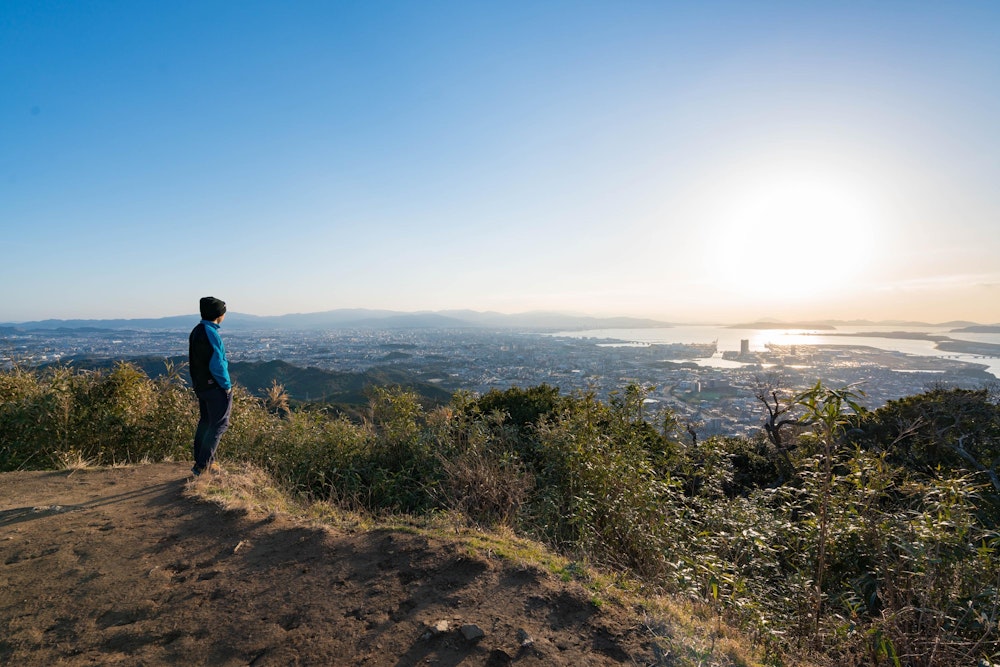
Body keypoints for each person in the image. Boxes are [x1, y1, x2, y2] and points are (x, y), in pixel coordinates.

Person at [188, 296, 232, 476]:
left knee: (206, 423)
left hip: (201, 386)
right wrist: (226, 385)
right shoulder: (211, 333)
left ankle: (202, 461)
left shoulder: (197, 330)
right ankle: (203, 465)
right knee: (219, 425)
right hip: (214, 387)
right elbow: (217, 364)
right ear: (219, 314)